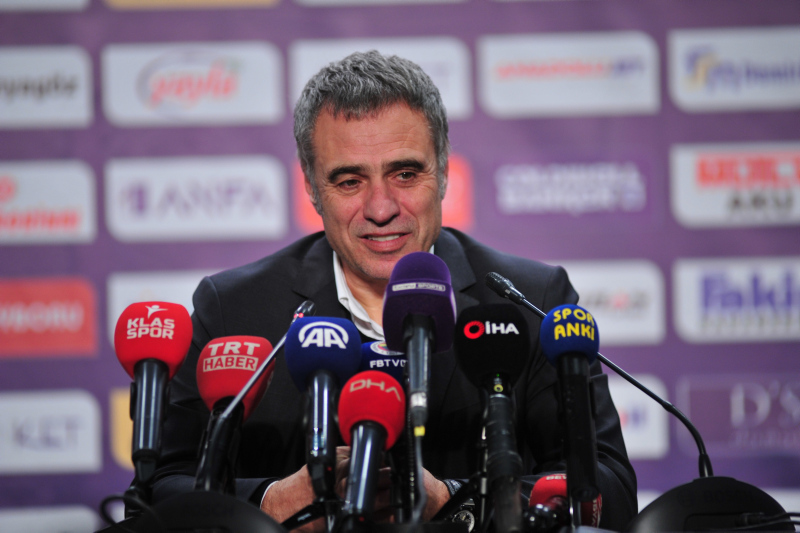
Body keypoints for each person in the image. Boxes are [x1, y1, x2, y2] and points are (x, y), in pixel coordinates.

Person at [152, 50, 637, 531]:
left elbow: (609, 493)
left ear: (442, 172)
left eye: (405, 174)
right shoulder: (235, 310)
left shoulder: (529, 302)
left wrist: (455, 501)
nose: (381, 208)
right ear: (312, 188)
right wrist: (272, 501)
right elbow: (158, 494)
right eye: (349, 181)